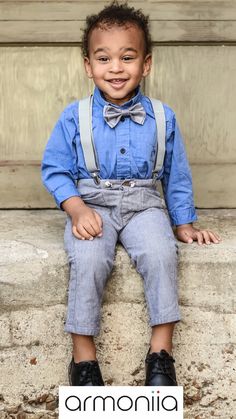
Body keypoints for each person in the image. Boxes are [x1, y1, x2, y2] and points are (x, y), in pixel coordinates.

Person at [41, 0, 220, 387]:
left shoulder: (163, 116)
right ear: (88, 66)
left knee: (160, 254)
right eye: (103, 59)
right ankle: (84, 361)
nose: (116, 68)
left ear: (146, 63)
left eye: (127, 57)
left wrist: (184, 222)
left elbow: (176, 174)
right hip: (93, 203)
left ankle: (161, 356)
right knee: (88, 259)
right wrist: (75, 210)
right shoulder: (74, 116)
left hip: (144, 205)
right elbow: (54, 170)